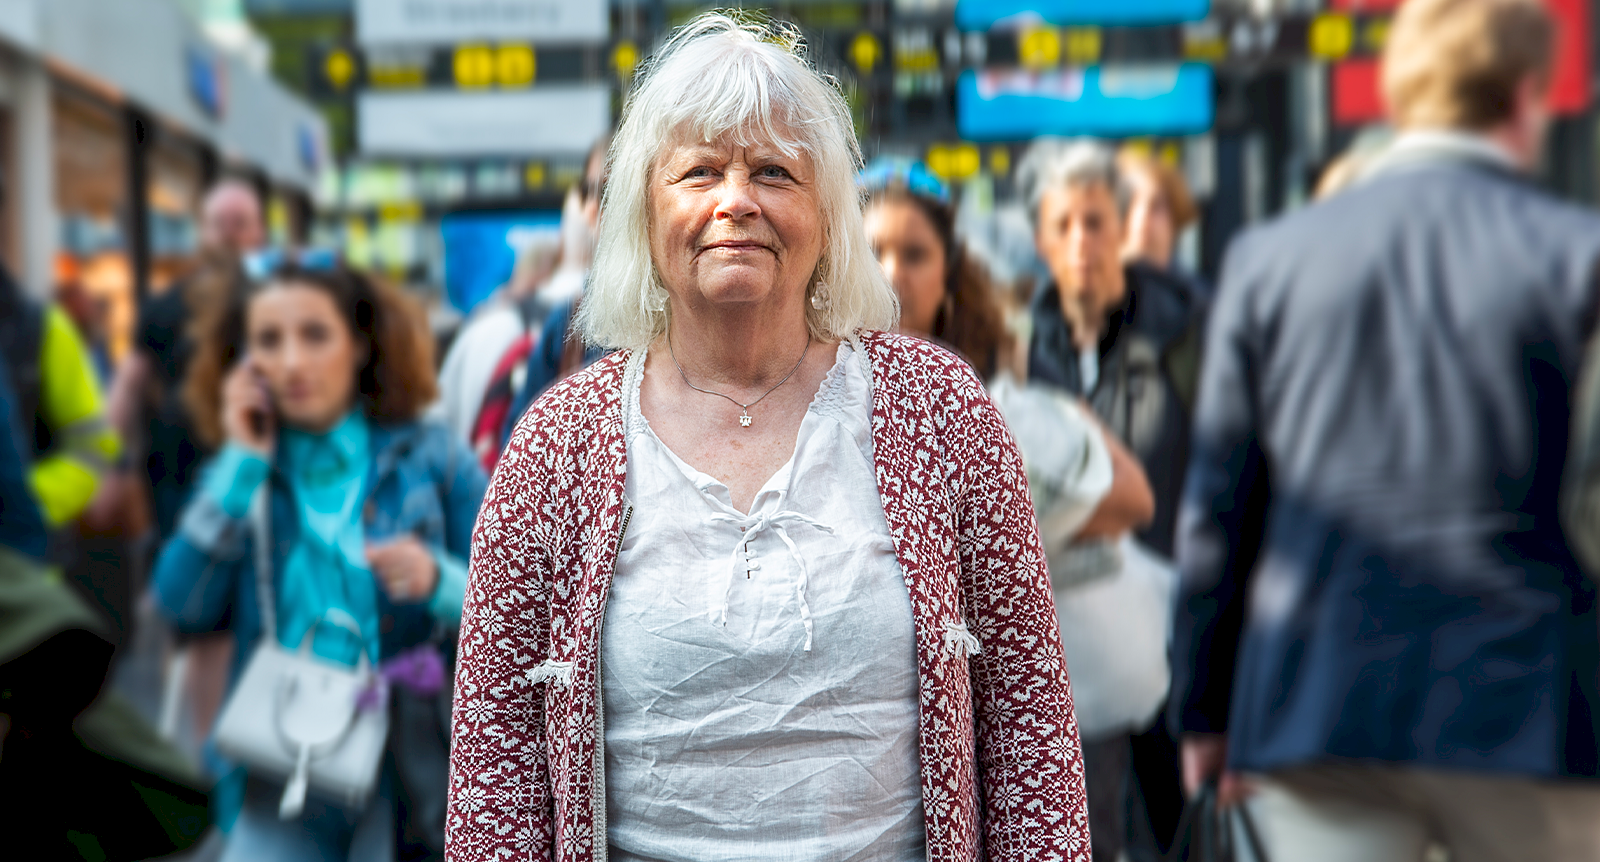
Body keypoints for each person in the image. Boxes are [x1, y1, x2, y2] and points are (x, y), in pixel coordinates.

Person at [448, 15, 1089, 861]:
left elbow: (1029, 724)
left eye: (774, 172)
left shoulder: (940, 410)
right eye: (700, 171)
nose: (736, 199)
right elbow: (495, 777)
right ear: (645, 211)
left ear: (827, 216)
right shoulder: (554, 450)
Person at [1174, 0, 1600, 859]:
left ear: (1401, 99)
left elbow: (1220, 513)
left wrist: (1205, 712)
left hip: (1313, 704)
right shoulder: (1578, 255)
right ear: (1527, 97)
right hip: (1529, 709)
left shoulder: (1269, 262)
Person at [149, 262, 488, 860]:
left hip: (410, 767)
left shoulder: (433, 459)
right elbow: (180, 605)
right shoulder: (246, 469)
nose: (292, 363)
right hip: (279, 764)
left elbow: (520, 606)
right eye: (269, 341)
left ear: (359, 344)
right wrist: (240, 464)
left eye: (314, 335)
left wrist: (440, 582)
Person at [1017, 137, 1202, 861]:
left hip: (1176, 643)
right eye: (1063, 225)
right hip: (1073, 649)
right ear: (1040, 240)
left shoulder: (1186, 334)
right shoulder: (1020, 349)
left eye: (1095, 221)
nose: (1081, 243)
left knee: (1178, 833)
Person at [499, 135, 613, 447]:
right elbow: (516, 462)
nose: (591, 209)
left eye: (606, 191)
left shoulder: (699, 322)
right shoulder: (568, 325)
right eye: (586, 192)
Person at [1117, 149, 1209, 302]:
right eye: (1131, 202)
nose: (1142, 216)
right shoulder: (1100, 295)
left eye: (1156, 205)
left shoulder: (1195, 298)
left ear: (1176, 214)